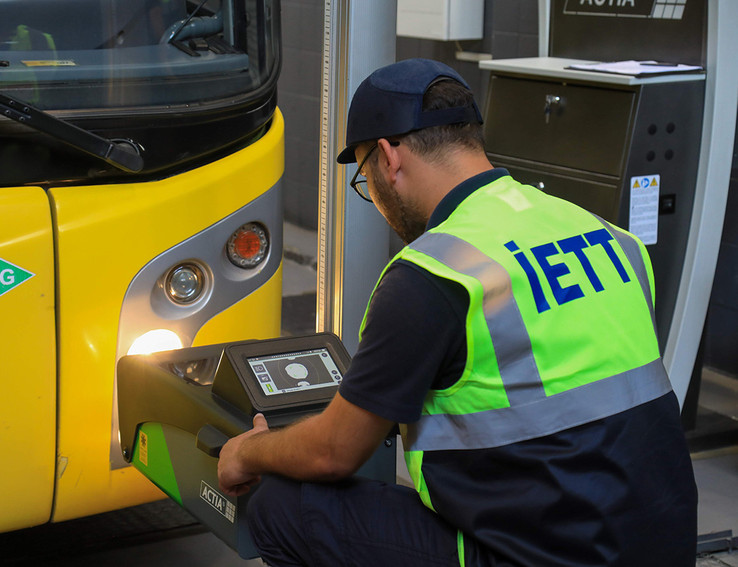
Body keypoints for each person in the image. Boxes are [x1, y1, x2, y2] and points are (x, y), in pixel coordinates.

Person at [217, 58, 698, 567]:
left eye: (363, 177)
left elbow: (332, 453)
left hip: (544, 558)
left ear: (387, 157)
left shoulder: (434, 274)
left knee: (283, 508)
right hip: (660, 547)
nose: (373, 196)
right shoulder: (609, 237)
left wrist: (245, 452)